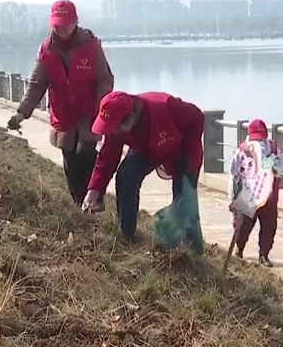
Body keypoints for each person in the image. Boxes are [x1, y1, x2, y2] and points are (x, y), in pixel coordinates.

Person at [8, 0, 115, 205]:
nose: (62, 29)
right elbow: (37, 84)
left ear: (75, 22)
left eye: (66, 24)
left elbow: (105, 78)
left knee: (86, 152)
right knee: (70, 159)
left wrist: (103, 107)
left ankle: (92, 198)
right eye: (57, 25)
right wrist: (22, 113)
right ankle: (78, 202)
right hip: (63, 113)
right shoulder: (47, 51)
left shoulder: (91, 46)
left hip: (89, 110)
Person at [80, 91, 204, 242]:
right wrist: (93, 192)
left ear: (131, 116)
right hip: (145, 150)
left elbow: (198, 117)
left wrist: (189, 151)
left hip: (181, 150)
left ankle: (188, 246)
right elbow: (107, 158)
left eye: (116, 126)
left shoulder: (167, 107)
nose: (113, 131)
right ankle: (127, 234)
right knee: (127, 176)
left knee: (184, 198)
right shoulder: (115, 124)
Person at [228, 119, 283, 267]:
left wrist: (272, 165)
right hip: (248, 195)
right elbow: (234, 174)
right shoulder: (242, 150)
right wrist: (233, 197)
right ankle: (239, 249)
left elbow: (280, 166)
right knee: (243, 225)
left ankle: (263, 254)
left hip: (268, 196)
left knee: (269, 226)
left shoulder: (272, 147)